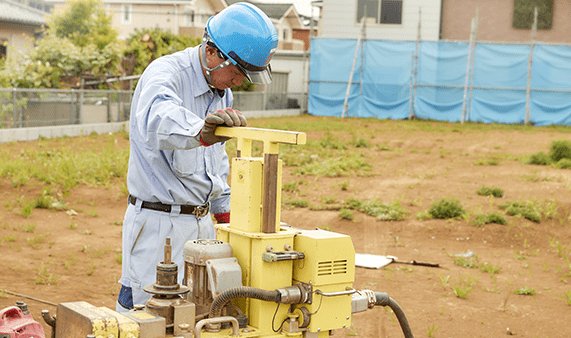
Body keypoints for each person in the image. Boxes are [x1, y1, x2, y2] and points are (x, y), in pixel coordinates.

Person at [116, 2, 278, 311]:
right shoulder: (166, 74)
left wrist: (226, 214)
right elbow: (157, 118)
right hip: (159, 226)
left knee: (199, 314)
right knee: (146, 315)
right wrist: (199, 131)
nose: (240, 81)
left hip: (202, 228)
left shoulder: (221, 90)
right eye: (239, 72)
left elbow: (216, 161)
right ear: (213, 53)